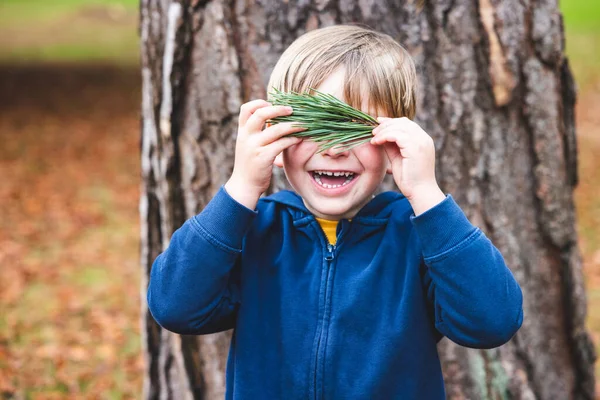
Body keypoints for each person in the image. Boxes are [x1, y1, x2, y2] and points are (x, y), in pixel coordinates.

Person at [147, 25, 523, 399]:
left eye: (354, 127)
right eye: (316, 125)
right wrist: (241, 188)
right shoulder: (254, 232)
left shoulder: (416, 239)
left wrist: (427, 194)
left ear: (395, 141)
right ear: (276, 138)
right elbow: (175, 306)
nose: (334, 149)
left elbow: (493, 322)